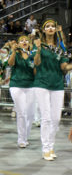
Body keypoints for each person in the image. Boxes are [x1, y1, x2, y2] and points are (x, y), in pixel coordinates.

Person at [32, 19, 72, 161]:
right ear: (43, 30)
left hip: (57, 84)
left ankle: (51, 145)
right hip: (42, 84)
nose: (50, 28)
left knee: (56, 118)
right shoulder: (39, 45)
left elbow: (64, 67)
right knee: (46, 118)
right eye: (47, 26)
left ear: (55, 29)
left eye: (52, 26)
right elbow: (36, 63)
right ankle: (46, 148)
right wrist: (37, 49)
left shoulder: (61, 47)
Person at [8, 36, 35, 148]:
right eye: (22, 40)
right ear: (18, 43)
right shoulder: (16, 54)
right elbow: (10, 63)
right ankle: (21, 139)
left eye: (26, 40)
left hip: (31, 86)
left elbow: (35, 71)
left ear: (29, 43)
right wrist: (14, 51)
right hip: (16, 85)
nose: (24, 42)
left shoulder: (32, 55)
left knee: (30, 114)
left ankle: (25, 136)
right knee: (22, 113)